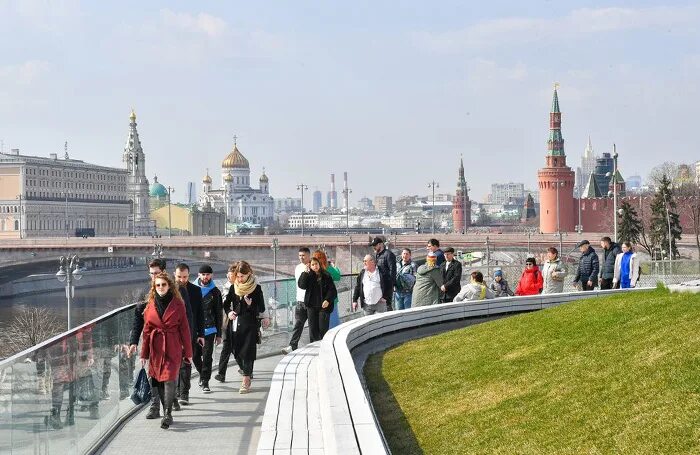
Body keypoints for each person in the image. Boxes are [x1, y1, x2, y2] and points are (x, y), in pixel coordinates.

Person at [140, 272, 193, 430]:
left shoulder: (178, 304)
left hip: (172, 345)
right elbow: (147, 331)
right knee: (159, 382)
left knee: (169, 378)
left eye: (163, 284)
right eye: (158, 285)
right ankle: (166, 410)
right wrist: (144, 354)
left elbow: (184, 328)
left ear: (169, 285)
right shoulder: (150, 305)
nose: (161, 287)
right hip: (156, 348)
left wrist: (188, 352)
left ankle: (168, 414)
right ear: (154, 287)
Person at [127, 258, 167, 419]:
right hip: (151, 341)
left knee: (169, 375)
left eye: (156, 273)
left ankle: (169, 404)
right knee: (154, 374)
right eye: (151, 274)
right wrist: (133, 342)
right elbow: (138, 320)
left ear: (163, 272)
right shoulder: (145, 294)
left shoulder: (174, 292)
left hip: (170, 341)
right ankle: (155, 406)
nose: (153, 277)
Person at [226, 261, 270, 394]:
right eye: (238, 276)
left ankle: (246, 380)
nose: (240, 279)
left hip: (250, 324)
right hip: (236, 324)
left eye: (242, 277)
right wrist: (229, 312)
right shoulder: (234, 287)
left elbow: (261, 307)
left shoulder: (256, 288)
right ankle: (247, 371)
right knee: (235, 351)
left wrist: (250, 305)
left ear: (249, 274)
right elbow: (226, 304)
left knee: (248, 353)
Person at [173, 263, 205, 406]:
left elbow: (199, 314)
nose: (182, 279)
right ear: (175, 275)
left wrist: (201, 334)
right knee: (175, 363)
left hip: (190, 331)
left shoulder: (196, 291)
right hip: (173, 333)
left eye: (185, 277)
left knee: (186, 361)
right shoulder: (169, 289)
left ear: (189, 275)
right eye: (179, 277)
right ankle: (178, 390)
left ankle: (184, 393)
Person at [192, 265, 223, 394]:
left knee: (207, 356)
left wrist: (219, 334)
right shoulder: (192, 290)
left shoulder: (215, 292)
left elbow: (218, 313)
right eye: (203, 274)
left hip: (209, 329)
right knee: (194, 356)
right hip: (194, 329)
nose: (205, 277)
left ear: (212, 275)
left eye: (208, 274)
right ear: (199, 275)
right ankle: (202, 373)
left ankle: (205, 381)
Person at [298, 257, 338, 341]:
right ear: (310, 266)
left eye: (316, 264)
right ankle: (314, 348)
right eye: (312, 264)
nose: (315, 266)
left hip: (324, 307)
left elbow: (332, 290)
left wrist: (327, 300)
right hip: (311, 306)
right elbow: (301, 285)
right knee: (313, 330)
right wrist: (305, 272)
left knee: (323, 329)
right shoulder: (308, 275)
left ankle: (323, 347)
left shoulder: (326, 275)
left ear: (319, 264)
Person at [282, 247, 311, 354]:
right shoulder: (298, 268)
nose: (301, 258)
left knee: (313, 327)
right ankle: (292, 346)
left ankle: (315, 347)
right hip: (300, 301)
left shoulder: (313, 266)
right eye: (300, 256)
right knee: (298, 325)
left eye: (303, 255)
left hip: (311, 302)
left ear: (308, 255)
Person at [215, 263, 237, 383]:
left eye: (231, 276)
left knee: (235, 347)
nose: (229, 278)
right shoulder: (225, 287)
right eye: (228, 276)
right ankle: (221, 374)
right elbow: (224, 305)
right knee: (227, 346)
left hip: (239, 321)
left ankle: (246, 369)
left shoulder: (243, 287)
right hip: (227, 321)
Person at [313, 250, 342, 329]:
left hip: (318, 300)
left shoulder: (314, 270)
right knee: (333, 323)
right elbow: (338, 277)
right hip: (331, 299)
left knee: (321, 323)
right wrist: (334, 266)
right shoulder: (329, 268)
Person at [371, 237, 397, 311]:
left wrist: (392, 284)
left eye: (375, 245)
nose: (374, 247)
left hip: (387, 285)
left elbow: (393, 270)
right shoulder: (377, 255)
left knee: (387, 305)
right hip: (379, 285)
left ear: (381, 244)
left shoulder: (389, 254)